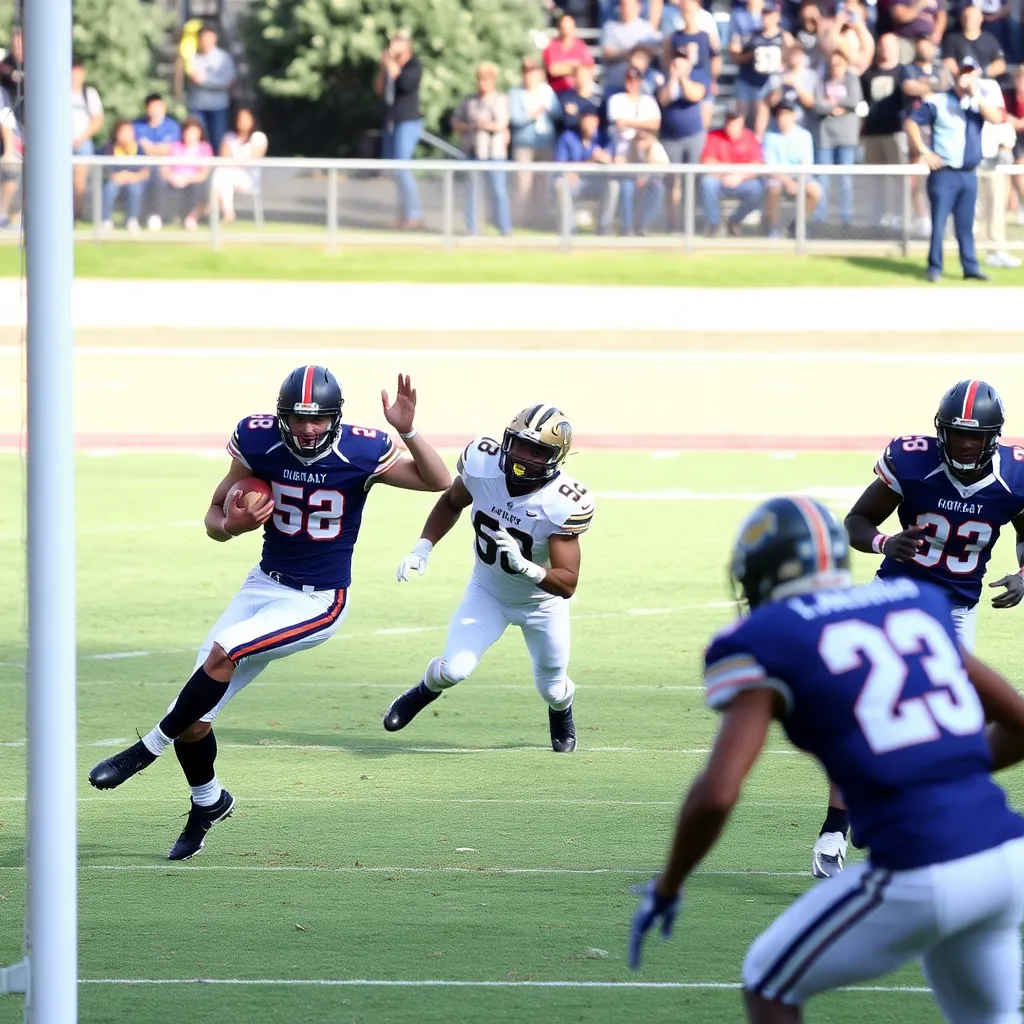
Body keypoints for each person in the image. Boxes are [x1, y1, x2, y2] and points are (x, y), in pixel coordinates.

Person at [629, 495, 1024, 1024]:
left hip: (922, 866)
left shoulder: (764, 638)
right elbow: (1019, 723)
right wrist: (935, 771)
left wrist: (669, 882)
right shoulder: (916, 603)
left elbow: (719, 791)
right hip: (1007, 856)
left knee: (769, 982)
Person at [88, 368, 451, 860]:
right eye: (299, 419)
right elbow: (214, 518)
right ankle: (209, 802)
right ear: (283, 416)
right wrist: (233, 525)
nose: (308, 430)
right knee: (195, 715)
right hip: (262, 585)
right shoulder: (258, 441)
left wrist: (407, 430)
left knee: (225, 652)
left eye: (319, 420)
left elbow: (439, 481)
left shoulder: (360, 450)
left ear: (335, 418)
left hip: (318, 600)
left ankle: (144, 750)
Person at [805, 379, 1024, 879]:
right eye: (957, 434)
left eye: (976, 436)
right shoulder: (912, 459)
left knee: (943, 726)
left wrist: (1022, 576)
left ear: (994, 436)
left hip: (953, 612)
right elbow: (856, 521)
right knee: (864, 712)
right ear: (940, 430)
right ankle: (835, 829)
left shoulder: (1015, 474)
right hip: (894, 599)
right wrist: (885, 542)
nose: (965, 444)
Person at [384, 405, 595, 754]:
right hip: (488, 591)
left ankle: (561, 713)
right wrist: (423, 546)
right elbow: (451, 502)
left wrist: (526, 566)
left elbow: (567, 583)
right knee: (454, 669)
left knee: (553, 689)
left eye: (537, 451)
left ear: (555, 457)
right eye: (519, 444)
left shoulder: (562, 502)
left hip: (541, 604)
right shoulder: (482, 464)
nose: (524, 457)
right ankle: (421, 692)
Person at [905, 55, 1003, 282]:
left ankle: (970, 267)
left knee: (965, 225)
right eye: (963, 73)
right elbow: (912, 122)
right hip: (945, 172)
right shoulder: (939, 101)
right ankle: (934, 267)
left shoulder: (977, 103)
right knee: (939, 223)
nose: (966, 78)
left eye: (971, 73)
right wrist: (923, 150)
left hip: (968, 173)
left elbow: (996, 118)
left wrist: (976, 94)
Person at [452, 63, 513, 237]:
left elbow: (501, 123)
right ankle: (471, 228)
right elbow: (457, 122)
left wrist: (485, 124)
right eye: (480, 79)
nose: (482, 83)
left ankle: (504, 227)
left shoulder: (500, 99)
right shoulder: (469, 101)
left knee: (498, 191)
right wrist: (471, 126)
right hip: (473, 151)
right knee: (472, 191)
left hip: (494, 153)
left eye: (486, 79)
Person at [375, 28, 424, 230]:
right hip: (392, 122)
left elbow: (403, 83)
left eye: (398, 40)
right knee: (395, 170)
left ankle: (414, 215)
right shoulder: (390, 67)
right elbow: (379, 90)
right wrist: (382, 68)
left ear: (407, 44)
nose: (393, 44)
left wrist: (390, 63)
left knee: (403, 167)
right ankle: (403, 215)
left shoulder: (414, 66)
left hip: (408, 122)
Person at [860, 34, 906, 228]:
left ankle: (899, 215)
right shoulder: (868, 74)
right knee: (876, 178)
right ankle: (878, 215)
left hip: (895, 130)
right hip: (872, 132)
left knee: (898, 177)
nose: (885, 49)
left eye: (889, 45)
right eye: (882, 45)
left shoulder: (904, 72)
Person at [699, 105, 765, 236]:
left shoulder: (749, 137)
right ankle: (714, 224)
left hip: (742, 181)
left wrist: (739, 176)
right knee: (707, 183)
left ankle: (734, 221)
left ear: (741, 121)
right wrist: (725, 175)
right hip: (719, 179)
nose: (730, 123)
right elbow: (707, 161)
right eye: (728, 119)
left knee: (758, 188)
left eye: (734, 119)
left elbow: (757, 164)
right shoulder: (714, 135)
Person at [762, 98, 820, 236]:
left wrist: (797, 182)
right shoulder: (770, 137)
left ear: (794, 116)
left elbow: (806, 165)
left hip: (799, 177)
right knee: (773, 189)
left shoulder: (804, 136)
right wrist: (787, 182)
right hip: (779, 178)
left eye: (787, 114)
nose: (783, 118)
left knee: (816, 191)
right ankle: (773, 228)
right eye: (780, 114)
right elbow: (770, 167)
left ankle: (797, 225)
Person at [133, 94, 181, 231]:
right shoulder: (137, 125)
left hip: (165, 168)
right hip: (141, 167)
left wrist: (153, 149)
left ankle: (156, 215)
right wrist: (157, 149)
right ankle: (135, 218)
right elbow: (144, 149)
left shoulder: (172, 126)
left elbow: (167, 149)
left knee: (158, 176)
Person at [185, 25, 236, 155]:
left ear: (215, 38)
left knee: (218, 140)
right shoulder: (194, 57)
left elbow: (229, 82)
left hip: (219, 106)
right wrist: (217, 83)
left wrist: (204, 81)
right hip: (197, 105)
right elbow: (193, 78)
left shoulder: (224, 58)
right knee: (197, 142)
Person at [212, 107, 268, 223]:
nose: (242, 122)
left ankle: (212, 214)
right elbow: (223, 159)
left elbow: (254, 159)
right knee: (222, 177)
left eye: (246, 118)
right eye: (240, 119)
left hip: (249, 178)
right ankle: (227, 214)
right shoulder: (229, 137)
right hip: (228, 174)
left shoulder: (258, 137)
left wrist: (233, 163)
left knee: (221, 177)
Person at [160, 117, 213, 231]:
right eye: (188, 131)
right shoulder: (175, 146)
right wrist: (173, 178)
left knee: (199, 187)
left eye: (194, 131)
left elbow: (204, 173)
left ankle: (191, 217)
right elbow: (165, 169)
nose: (190, 135)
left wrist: (187, 179)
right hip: (174, 180)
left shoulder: (205, 148)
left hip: (194, 181)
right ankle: (160, 216)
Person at [71, 58, 104, 223]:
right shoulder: (57, 92)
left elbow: (97, 119)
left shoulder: (89, 94)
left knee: (79, 183)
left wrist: (81, 137)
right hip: (61, 145)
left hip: (82, 143)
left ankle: (75, 216)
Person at [100, 120, 148, 233]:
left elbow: (145, 171)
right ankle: (106, 220)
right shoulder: (108, 148)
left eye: (129, 132)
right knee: (110, 188)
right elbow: (105, 170)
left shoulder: (139, 149)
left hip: (134, 180)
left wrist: (133, 177)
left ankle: (132, 220)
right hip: (115, 181)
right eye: (123, 132)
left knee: (135, 189)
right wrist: (116, 176)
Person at [544, 12, 596, 94]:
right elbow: (552, 70)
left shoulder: (581, 46)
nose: (567, 30)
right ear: (559, 28)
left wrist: (564, 67)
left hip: (577, 91)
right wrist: (576, 67)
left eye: (569, 27)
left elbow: (589, 69)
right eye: (564, 27)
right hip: (557, 91)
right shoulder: (552, 45)